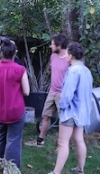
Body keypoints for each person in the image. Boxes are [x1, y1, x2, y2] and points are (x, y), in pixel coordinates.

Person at [48, 42, 92, 174]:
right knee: (79, 139)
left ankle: (56, 172)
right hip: (82, 111)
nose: (65, 55)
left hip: (70, 112)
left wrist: (61, 107)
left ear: (71, 55)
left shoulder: (72, 71)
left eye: (67, 53)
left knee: (62, 142)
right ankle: (80, 169)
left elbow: (67, 95)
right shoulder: (86, 71)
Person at [0, 39, 30, 168]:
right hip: (15, 110)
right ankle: (11, 169)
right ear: (14, 53)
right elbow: (27, 92)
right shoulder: (20, 69)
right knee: (13, 140)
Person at [25, 34, 69, 147]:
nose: (50, 46)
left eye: (53, 44)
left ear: (59, 45)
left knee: (63, 120)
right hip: (52, 91)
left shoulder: (69, 58)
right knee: (45, 115)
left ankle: (62, 145)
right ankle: (40, 141)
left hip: (63, 93)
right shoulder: (53, 57)